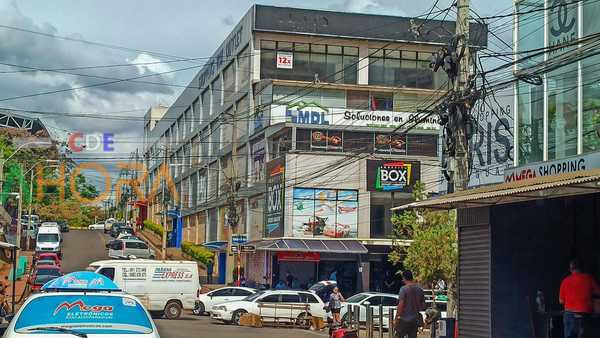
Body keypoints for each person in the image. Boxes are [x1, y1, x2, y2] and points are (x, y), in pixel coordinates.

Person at [559, 259, 600, 338]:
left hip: (569, 315)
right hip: (585, 315)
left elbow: (561, 301)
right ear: (582, 268)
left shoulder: (565, 281)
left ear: (570, 269)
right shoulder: (589, 279)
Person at [395, 270, 425, 338]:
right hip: (415, 320)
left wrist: (397, 317)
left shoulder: (403, 289)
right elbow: (423, 306)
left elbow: (401, 305)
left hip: (404, 319)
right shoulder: (420, 290)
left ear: (404, 278)